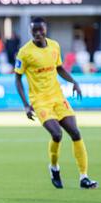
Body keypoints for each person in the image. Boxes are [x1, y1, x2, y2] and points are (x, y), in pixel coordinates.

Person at [14, 17, 98, 189]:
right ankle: (54, 167)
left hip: (58, 97)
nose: (38, 33)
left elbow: (59, 68)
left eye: (40, 30)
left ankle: (84, 177)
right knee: (57, 134)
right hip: (40, 101)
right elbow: (17, 78)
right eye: (34, 30)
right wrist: (26, 104)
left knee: (75, 133)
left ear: (46, 30)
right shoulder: (24, 52)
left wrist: (74, 81)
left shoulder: (54, 46)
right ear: (30, 32)